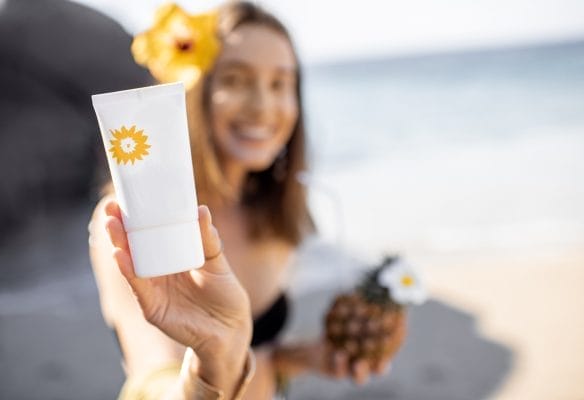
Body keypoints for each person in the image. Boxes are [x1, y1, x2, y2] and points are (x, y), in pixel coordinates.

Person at [88, 2, 407, 399]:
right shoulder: (133, 222)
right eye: (237, 80)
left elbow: (259, 357)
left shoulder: (279, 214)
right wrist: (210, 372)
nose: (263, 106)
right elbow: (156, 382)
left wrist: (307, 357)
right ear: (193, 88)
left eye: (279, 84)